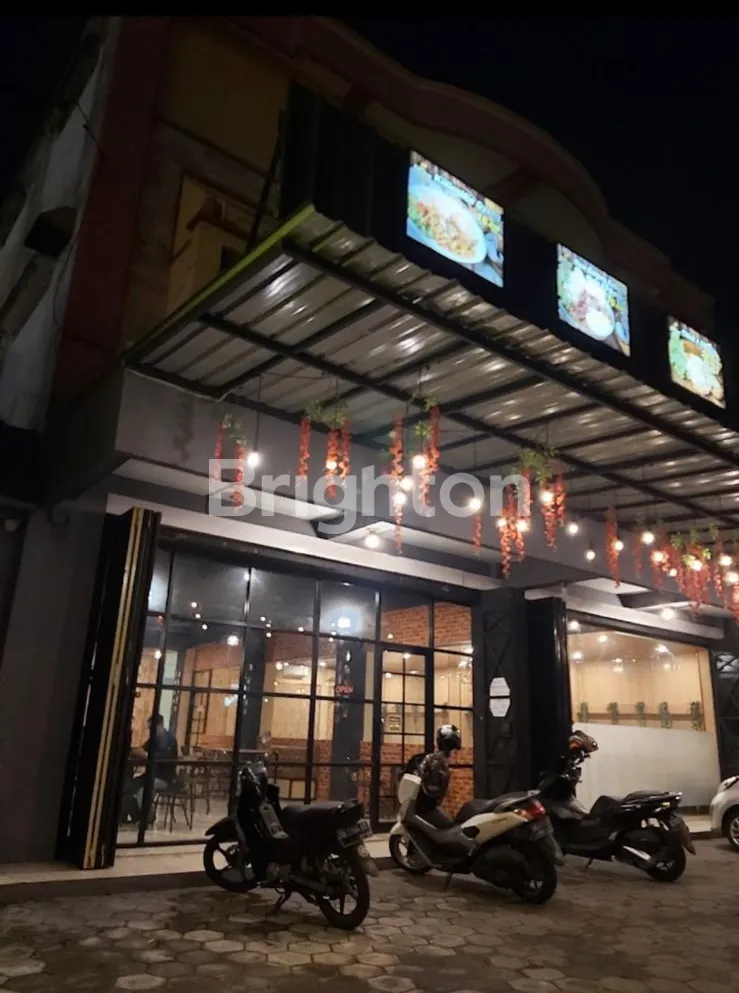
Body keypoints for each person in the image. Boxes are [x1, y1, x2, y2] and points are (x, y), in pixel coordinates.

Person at [130, 713, 179, 826]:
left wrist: (145, 755)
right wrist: (137, 751)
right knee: (131, 785)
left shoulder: (167, 739)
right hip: (153, 774)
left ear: (158, 725)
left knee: (144, 791)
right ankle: (137, 815)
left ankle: (148, 816)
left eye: (150, 728)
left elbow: (164, 757)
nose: (149, 731)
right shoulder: (155, 738)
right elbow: (143, 748)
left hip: (164, 778)